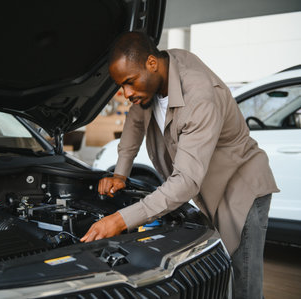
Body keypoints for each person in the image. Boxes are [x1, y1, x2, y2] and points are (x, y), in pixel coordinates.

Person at [80, 31, 279, 299]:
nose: (127, 93)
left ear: (151, 63)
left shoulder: (198, 98)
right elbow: (135, 122)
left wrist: (119, 220)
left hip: (240, 186)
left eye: (130, 82)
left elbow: (185, 181)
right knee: (216, 274)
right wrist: (120, 174)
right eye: (122, 86)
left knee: (242, 280)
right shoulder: (157, 75)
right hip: (208, 187)